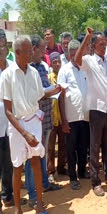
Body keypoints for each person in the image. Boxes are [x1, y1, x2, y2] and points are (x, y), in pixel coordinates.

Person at [0, 35, 58, 214]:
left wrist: (53, 91)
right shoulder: (7, 75)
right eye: (27, 51)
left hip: (34, 122)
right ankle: (18, 209)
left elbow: (39, 96)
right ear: (17, 53)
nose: (31, 53)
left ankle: (39, 205)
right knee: (17, 167)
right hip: (17, 126)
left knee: (36, 162)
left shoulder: (33, 72)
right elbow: (8, 111)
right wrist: (25, 133)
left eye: (31, 50)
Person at [75, 28, 107, 197]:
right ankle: (96, 183)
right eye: (100, 44)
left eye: (104, 44)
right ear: (94, 46)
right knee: (94, 148)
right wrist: (87, 37)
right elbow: (76, 59)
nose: (104, 46)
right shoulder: (89, 60)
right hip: (96, 110)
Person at [26, 35, 62, 210]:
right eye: (41, 49)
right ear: (32, 49)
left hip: (45, 118)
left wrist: (53, 90)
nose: (43, 52)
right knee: (31, 157)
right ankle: (33, 195)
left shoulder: (41, 67)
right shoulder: (27, 69)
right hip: (33, 121)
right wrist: (51, 91)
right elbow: (36, 94)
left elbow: (45, 87)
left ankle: (44, 184)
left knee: (43, 154)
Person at [58, 40, 90, 190]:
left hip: (85, 116)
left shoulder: (85, 68)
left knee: (83, 147)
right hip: (70, 118)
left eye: (76, 54)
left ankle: (82, 172)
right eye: (71, 55)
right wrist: (64, 120)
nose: (74, 57)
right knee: (71, 149)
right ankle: (72, 177)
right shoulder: (64, 70)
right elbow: (61, 97)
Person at [47, 52, 67, 182]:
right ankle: (50, 171)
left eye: (59, 61)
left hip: (62, 116)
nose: (57, 64)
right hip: (51, 116)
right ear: (51, 63)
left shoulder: (63, 76)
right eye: (55, 62)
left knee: (63, 144)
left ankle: (61, 167)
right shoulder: (49, 77)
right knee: (50, 145)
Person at [0, 45, 15, 212]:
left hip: (11, 122)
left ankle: (8, 196)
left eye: (1, 45)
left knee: (9, 162)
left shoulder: (12, 67)